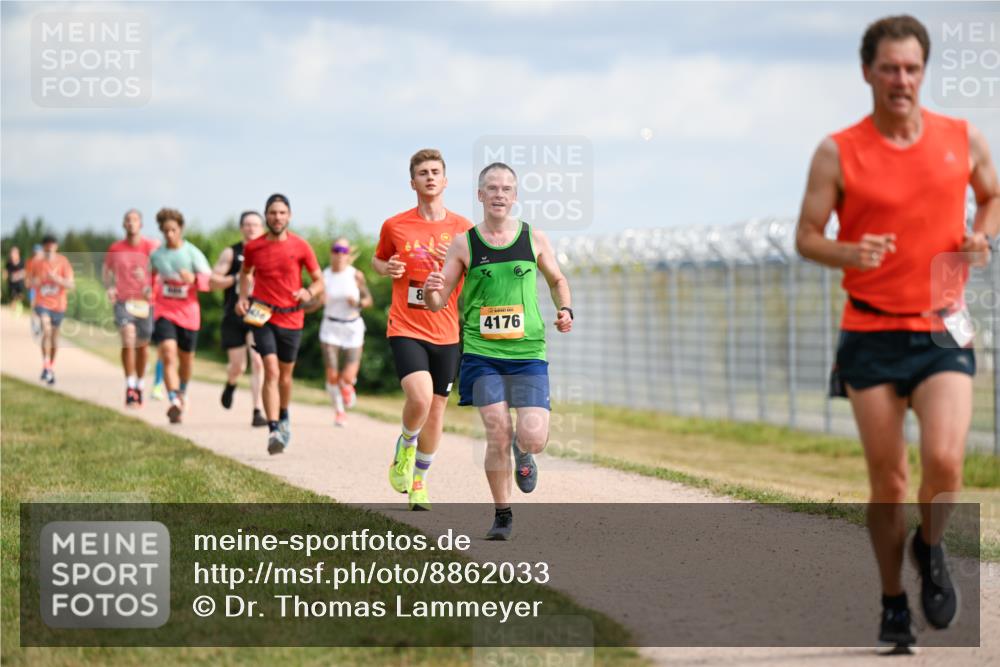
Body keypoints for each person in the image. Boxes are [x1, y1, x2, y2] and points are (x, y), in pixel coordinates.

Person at [794, 15, 999, 650]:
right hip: (871, 332)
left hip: (943, 326)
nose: (901, 79)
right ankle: (891, 602)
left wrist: (981, 236)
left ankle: (929, 547)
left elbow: (992, 196)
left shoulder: (961, 138)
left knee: (945, 463)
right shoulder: (838, 150)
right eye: (890, 68)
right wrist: (849, 253)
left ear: (923, 71)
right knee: (889, 482)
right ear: (867, 73)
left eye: (912, 68)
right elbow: (806, 237)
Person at [425, 162, 573, 539]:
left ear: (515, 196)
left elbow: (557, 279)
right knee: (497, 431)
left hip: (527, 353)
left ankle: (525, 453)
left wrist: (565, 307)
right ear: (480, 195)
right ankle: (502, 514)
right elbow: (438, 301)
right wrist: (431, 290)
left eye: (507, 188)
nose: (499, 194)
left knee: (534, 437)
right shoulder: (465, 243)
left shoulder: (533, 238)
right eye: (492, 188)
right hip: (481, 352)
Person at [372, 149, 473, 511]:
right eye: (423, 172)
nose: (429, 177)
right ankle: (405, 443)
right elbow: (378, 259)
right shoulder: (395, 225)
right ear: (412, 182)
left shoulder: (464, 229)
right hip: (406, 324)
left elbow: (476, 273)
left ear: (445, 181)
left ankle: (419, 482)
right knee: (420, 397)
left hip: (447, 330)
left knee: (438, 409)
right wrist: (388, 269)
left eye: (435, 172)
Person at [236, 194, 323, 455]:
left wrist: (308, 292)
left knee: (285, 376)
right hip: (262, 315)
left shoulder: (301, 246)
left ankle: (284, 415)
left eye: (282, 213)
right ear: (266, 215)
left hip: (292, 317)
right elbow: (245, 274)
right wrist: (242, 297)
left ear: (289, 216)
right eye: (273, 213)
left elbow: (319, 280)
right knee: (270, 370)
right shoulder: (254, 247)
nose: (277, 217)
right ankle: (273, 428)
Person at [149, 208, 212, 424]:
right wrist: (147, 290)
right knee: (167, 353)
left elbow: (208, 281)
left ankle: (182, 391)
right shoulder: (157, 255)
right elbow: (149, 278)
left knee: (186, 361)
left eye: (173, 230)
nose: (169, 235)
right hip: (164, 311)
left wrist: (193, 279)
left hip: (188, 314)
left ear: (180, 229)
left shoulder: (192, 253)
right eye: (165, 231)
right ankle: (174, 399)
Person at [210, 210, 267, 427]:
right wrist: (237, 277)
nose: (252, 228)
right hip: (234, 313)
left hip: (258, 311)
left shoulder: (267, 252)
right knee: (238, 366)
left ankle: (257, 410)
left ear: (262, 228)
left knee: (258, 361)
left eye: (255, 225)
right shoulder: (231, 253)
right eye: (248, 225)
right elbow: (212, 282)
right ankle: (231, 383)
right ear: (242, 228)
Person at [103, 209, 158, 407]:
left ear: (141, 224)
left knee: (142, 346)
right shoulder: (116, 248)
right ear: (123, 224)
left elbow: (161, 272)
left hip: (145, 302)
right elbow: (106, 270)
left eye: (135, 220)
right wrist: (109, 287)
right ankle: (130, 385)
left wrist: (151, 285)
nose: (131, 223)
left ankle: (141, 384)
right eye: (128, 220)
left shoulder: (152, 246)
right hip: (123, 301)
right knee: (128, 339)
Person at [319, 237, 373, 426]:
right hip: (330, 328)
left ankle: (348, 386)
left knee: (348, 377)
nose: (340, 254)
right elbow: (310, 303)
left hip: (352, 327)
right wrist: (317, 300)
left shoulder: (356, 275)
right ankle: (339, 412)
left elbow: (368, 300)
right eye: (336, 249)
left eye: (344, 250)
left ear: (349, 254)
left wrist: (357, 303)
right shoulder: (324, 276)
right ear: (331, 252)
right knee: (332, 375)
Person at [27, 235, 75, 385]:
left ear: (56, 246)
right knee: (46, 330)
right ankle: (46, 365)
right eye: (46, 245)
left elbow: (71, 285)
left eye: (52, 244)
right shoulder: (37, 262)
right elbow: (28, 282)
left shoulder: (63, 262)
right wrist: (35, 282)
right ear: (43, 247)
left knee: (54, 340)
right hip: (43, 303)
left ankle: (49, 367)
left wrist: (57, 280)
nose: (49, 247)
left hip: (59, 305)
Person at [4, 246, 26, 311]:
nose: (12, 255)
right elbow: (6, 272)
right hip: (11, 284)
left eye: (13, 253)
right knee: (12, 297)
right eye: (11, 253)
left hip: (20, 284)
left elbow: (25, 272)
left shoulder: (22, 262)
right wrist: (5, 275)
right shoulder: (8, 263)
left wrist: (16, 276)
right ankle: (13, 312)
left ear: (17, 254)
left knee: (20, 296)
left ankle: (18, 305)